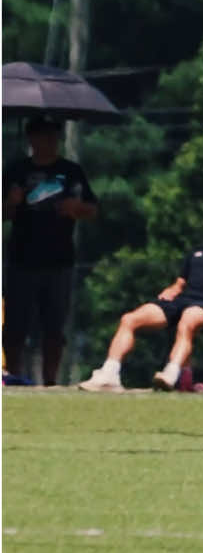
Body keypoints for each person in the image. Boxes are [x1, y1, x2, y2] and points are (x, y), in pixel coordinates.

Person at [79, 199, 203, 392]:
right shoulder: (196, 253)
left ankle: (170, 373)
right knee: (129, 319)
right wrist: (171, 290)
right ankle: (110, 374)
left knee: (187, 321)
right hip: (180, 300)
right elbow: (180, 283)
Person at [3, 114, 99, 385]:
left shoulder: (71, 172)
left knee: (53, 327)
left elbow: (93, 209)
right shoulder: (15, 171)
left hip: (59, 260)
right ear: (31, 138)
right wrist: (11, 203)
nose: (49, 140)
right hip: (22, 258)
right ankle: (14, 376)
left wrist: (75, 209)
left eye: (53, 135)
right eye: (43, 135)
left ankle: (50, 381)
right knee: (15, 327)